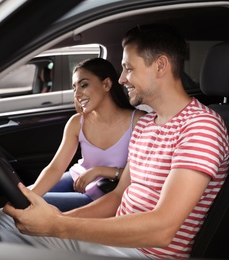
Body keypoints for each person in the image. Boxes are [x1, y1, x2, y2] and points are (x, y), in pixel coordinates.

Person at [0, 24, 229, 259]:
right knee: (0, 221)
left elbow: (162, 229)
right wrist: (56, 222)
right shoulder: (146, 125)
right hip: (117, 242)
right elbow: (118, 197)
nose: (121, 79)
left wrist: (60, 226)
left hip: (145, 253)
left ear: (160, 66)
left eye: (129, 68)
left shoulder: (200, 127)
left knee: (0, 233)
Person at [32, 57, 145, 211]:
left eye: (84, 85)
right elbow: (56, 168)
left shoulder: (138, 121)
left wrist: (99, 170)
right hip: (77, 178)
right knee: (25, 196)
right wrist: (28, 196)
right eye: (74, 88)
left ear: (106, 84)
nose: (77, 94)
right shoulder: (77, 122)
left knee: (37, 204)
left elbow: (144, 174)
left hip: (105, 193)